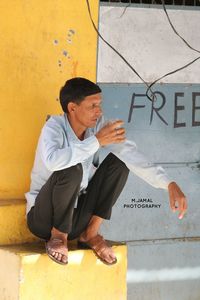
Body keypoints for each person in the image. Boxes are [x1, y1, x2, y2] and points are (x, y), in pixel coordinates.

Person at [25, 77, 187, 266]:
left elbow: (130, 154)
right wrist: (96, 142)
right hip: (43, 219)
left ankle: (90, 233)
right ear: (72, 108)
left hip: (75, 222)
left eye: (99, 105)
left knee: (121, 162)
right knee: (71, 167)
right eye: (92, 105)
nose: (99, 111)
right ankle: (59, 237)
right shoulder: (53, 127)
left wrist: (169, 183)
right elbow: (53, 162)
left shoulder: (98, 126)